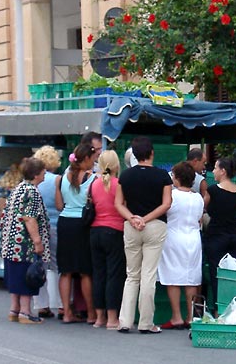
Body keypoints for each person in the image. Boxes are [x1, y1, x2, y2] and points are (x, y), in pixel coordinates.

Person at [115, 136, 173, 334]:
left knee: (132, 275)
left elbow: (118, 204)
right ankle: (146, 323)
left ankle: (124, 321)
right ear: (152, 153)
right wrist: (146, 219)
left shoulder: (125, 176)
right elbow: (166, 204)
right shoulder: (163, 176)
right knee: (148, 275)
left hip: (131, 227)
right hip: (155, 226)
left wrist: (133, 218)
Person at [0, 157, 50, 324]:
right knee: (27, 275)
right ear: (36, 174)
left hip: (11, 242)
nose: (45, 175)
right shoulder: (32, 192)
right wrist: (37, 241)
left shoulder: (19, 188)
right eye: (43, 172)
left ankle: (14, 309)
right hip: (24, 245)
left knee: (15, 275)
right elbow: (29, 218)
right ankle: (26, 312)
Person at [158, 161, 204, 329]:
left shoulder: (172, 195)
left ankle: (176, 316)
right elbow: (199, 219)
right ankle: (191, 316)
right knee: (191, 278)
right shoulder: (198, 197)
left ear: (176, 178)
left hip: (173, 236)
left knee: (172, 277)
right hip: (193, 237)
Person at [55, 143, 97, 324]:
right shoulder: (92, 179)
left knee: (65, 272)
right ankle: (91, 313)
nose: (94, 163)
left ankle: (66, 313)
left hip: (64, 222)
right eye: (93, 159)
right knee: (85, 272)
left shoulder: (61, 178)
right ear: (86, 159)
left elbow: (59, 205)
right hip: (83, 224)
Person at [89, 150, 126, 330]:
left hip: (95, 231)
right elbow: (123, 207)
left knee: (99, 274)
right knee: (114, 274)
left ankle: (99, 317)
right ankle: (112, 318)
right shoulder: (118, 184)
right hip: (114, 231)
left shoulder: (94, 185)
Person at [203, 157, 236, 313]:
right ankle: (235, 307)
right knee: (234, 273)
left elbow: (203, 208)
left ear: (223, 171)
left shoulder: (213, 190)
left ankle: (218, 309)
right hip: (234, 235)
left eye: (215, 168)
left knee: (216, 273)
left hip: (216, 236)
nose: (213, 171)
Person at [31, 145, 63, 319]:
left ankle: (42, 305)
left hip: (39, 228)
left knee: (40, 266)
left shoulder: (35, 183)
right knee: (58, 267)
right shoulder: (58, 179)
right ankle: (60, 303)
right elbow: (61, 204)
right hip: (56, 226)